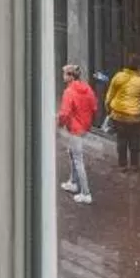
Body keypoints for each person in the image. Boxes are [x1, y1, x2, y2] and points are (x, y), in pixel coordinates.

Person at [55, 63, 96, 203]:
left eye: (65, 74)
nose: (63, 76)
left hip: (75, 128)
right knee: (73, 154)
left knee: (78, 160)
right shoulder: (88, 88)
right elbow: (94, 107)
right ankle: (73, 182)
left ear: (71, 76)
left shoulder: (69, 92)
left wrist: (60, 124)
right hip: (84, 127)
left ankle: (86, 193)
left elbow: (65, 113)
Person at [103, 61, 140, 170]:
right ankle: (134, 164)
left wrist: (108, 109)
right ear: (138, 68)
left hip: (119, 115)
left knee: (121, 139)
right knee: (134, 140)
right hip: (135, 117)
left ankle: (122, 165)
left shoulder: (118, 76)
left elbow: (110, 95)